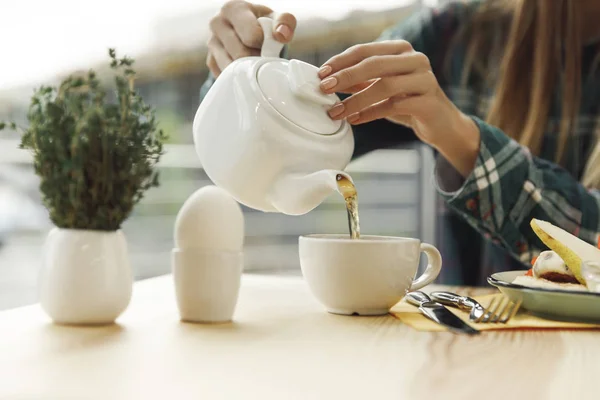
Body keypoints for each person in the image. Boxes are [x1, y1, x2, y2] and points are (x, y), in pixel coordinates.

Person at [200, 0, 600, 286]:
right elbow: (314, 114)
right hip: (462, 344)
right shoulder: (455, 34)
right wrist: (248, 67)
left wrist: (459, 136)